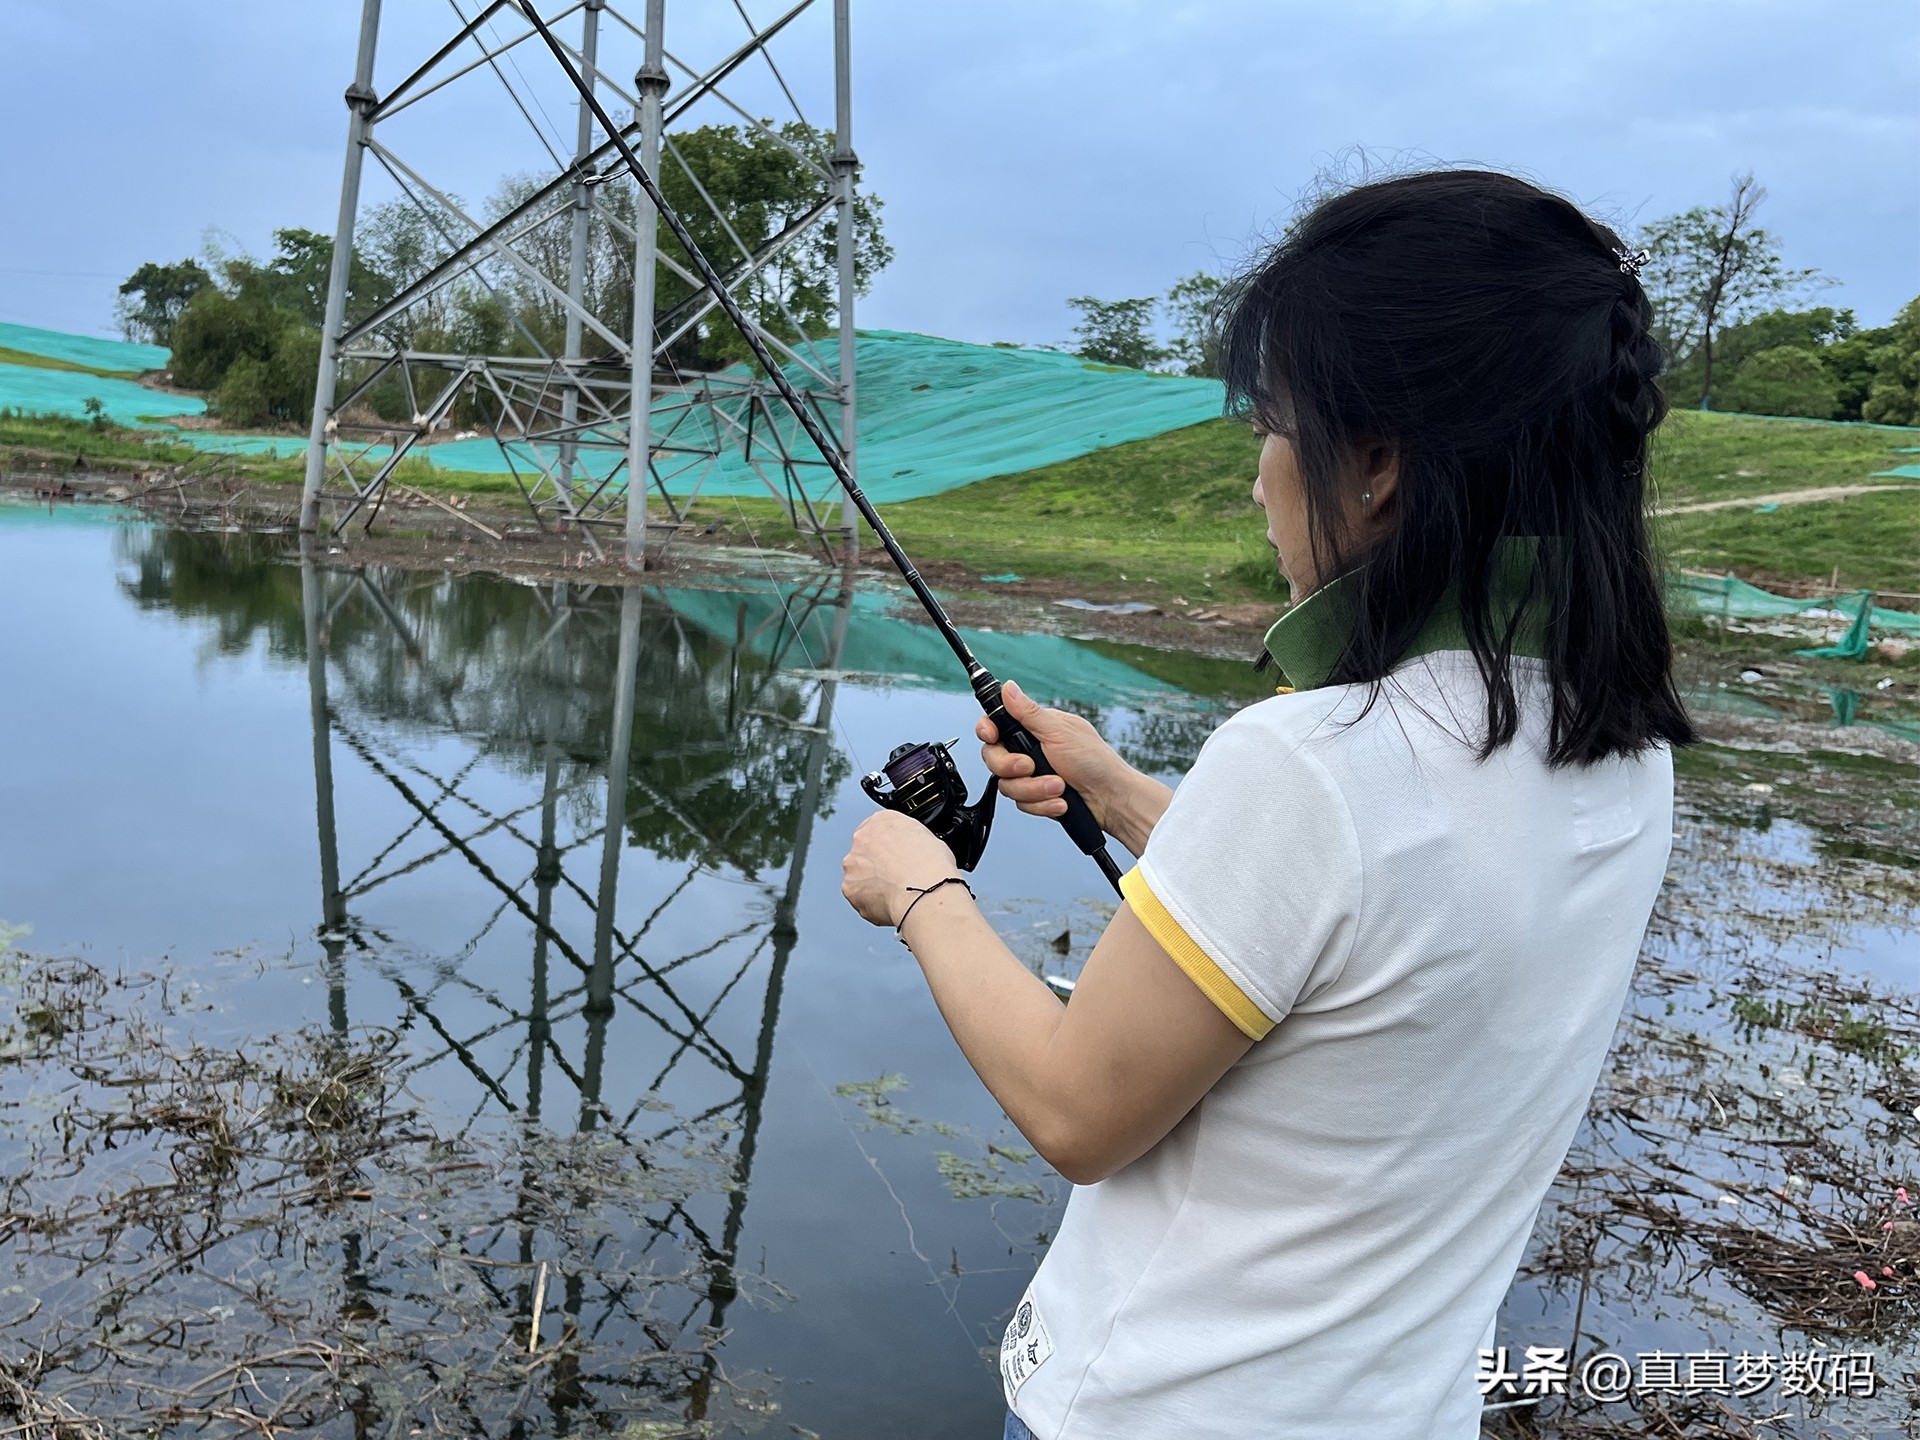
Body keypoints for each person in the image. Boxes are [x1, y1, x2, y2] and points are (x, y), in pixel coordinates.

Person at [840, 168, 1694, 1439]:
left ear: (1381, 462)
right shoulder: (1614, 749)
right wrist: (1123, 793)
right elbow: (1375, 914)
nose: (1259, 480)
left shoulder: (1309, 761)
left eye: (1271, 429)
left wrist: (920, 892)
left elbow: (1079, 1109)